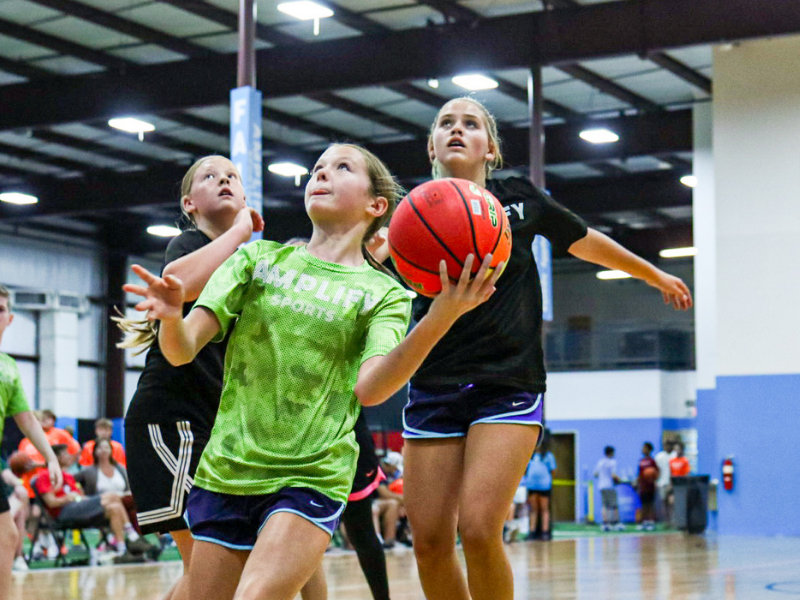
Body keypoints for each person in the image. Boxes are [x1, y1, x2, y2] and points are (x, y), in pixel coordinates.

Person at [123, 143, 502, 600]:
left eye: (341, 168)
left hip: (311, 474)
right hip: (226, 469)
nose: (321, 174)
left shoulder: (384, 293)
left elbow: (372, 388)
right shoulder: (257, 259)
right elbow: (182, 351)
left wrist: (442, 314)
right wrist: (169, 319)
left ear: (375, 205)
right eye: (318, 168)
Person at [377, 97, 693, 600]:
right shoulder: (411, 213)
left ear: (491, 149)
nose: (457, 130)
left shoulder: (518, 197)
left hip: (509, 381)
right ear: (431, 146)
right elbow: (369, 271)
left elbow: (585, 241)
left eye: (471, 124)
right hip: (433, 383)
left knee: (480, 530)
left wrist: (652, 274)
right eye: (445, 124)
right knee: (431, 543)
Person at [117, 155, 264, 600]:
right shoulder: (186, 243)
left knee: (216, 567)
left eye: (233, 176)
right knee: (206, 562)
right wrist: (242, 231)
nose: (224, 179)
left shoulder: (249, 269)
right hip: (170, 421)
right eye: (210, 176)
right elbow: (176, 281)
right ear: (190, 203)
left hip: (212, 426)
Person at [0, 284, 62, 598]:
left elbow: (26, 420)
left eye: (0, 309)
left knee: (7, 534)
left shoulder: (8, 367)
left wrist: (50, 457)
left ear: (9, 318)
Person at [33, 444, 153, 559]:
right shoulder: (45, 476)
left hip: (79, 508)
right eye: (65, 454)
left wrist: (79, 497)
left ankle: (122, 550)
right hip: (63, 513)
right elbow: (51, 502)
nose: (69, 456)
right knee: (112, 496)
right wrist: (68, 497)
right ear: (56, 457)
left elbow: (82, 498)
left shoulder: (68, 476)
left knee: (114, 507)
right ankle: (132, 534)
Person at [524, 443, 557, 541]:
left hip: (544, 486)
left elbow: (553, 470)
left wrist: (547, 480)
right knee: (533, 510)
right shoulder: (530, 456)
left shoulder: (548, 456)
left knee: (544, 509)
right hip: (532, 485)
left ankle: (545, 531)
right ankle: (532, 531)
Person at [594, 445, 623, 532]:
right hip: (609, 485)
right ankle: (616, 522)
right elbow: (613, 475)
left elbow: (595, 474)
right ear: (611, 453)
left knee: (605, 505)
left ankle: (605, 523)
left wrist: (602, 476)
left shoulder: (600, 462)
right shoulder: (612, 462)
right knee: (614, 505)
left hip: (601, 485)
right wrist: (620, 480)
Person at [636, 442, 659, 531]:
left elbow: (657, 472)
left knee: (650, 504)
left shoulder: (652, 461)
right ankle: (644, 521)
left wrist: (653, 478)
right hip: (643, 486)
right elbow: (639, 474)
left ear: (649, 449)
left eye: (644, 448)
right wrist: (638, 484)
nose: (643, 449)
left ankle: (650, 521)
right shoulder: (641, 461)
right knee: (643, 504)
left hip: (650, 486)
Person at [654, 439, 674, 522]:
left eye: (669, 445)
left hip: (673, 483)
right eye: (666, 445)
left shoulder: (674, 456)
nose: (667, 447)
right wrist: (656, 480)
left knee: (672, 502)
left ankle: (673, 519)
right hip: (662, 483)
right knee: (664, 502)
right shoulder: (659, 457)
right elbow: (656, 470)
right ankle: (666, 520)